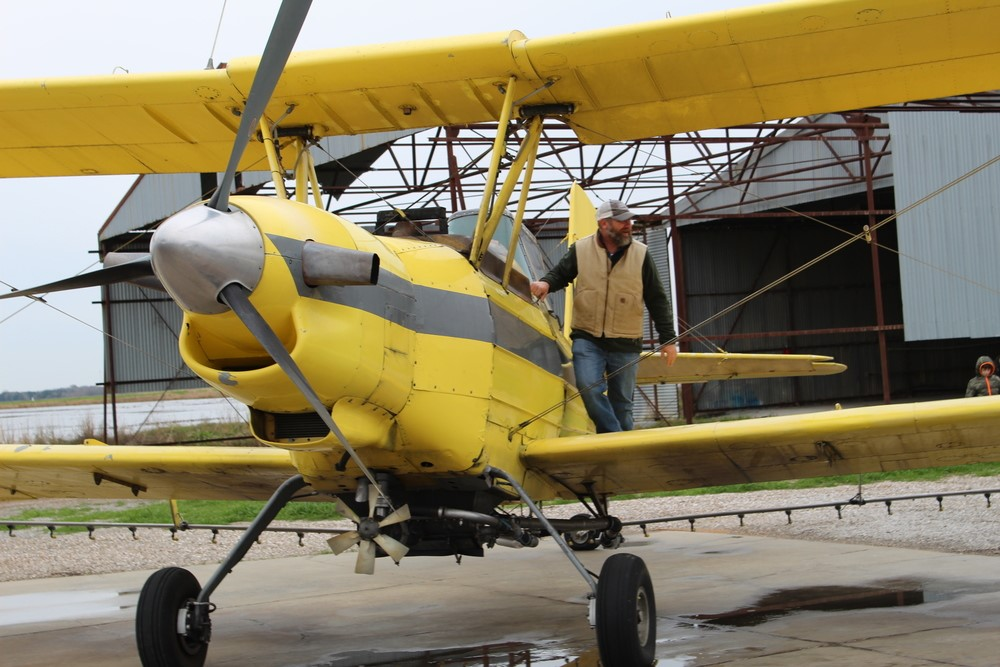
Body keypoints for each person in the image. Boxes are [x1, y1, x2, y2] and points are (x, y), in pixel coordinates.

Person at [530, 199, 677, 432]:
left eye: (629, 220)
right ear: (604, 224)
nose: (628, 225)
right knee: (588, 387)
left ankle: (619, 457)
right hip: (588, 338)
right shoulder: (581, 249)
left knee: (623, 406)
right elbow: (561, 274)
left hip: (626, 342)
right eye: (622, 221)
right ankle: (618, 441)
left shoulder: (641, 255)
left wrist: (668, 340)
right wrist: (546, 283)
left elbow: (657, 299)